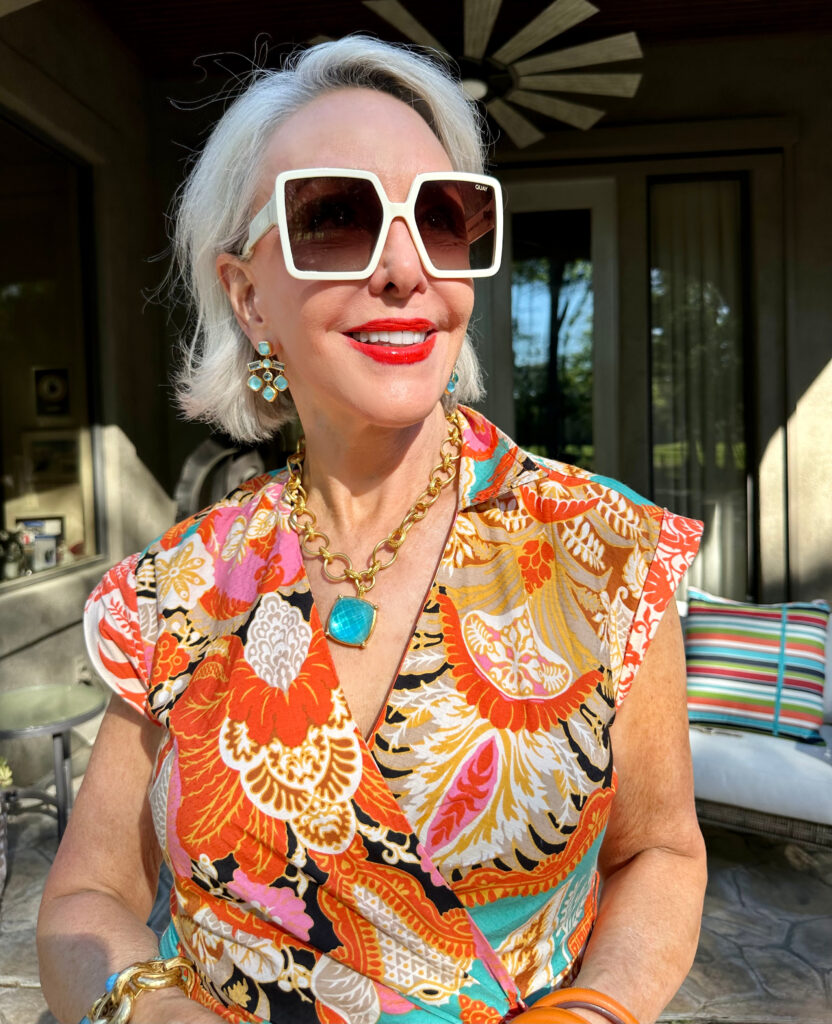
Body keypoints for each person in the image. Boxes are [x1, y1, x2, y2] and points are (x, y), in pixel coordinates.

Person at [37, 35, 706, 1024]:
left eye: (443, 216)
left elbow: (661, 849)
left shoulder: (599, 549)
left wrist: (594, 1010)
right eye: (337, 216)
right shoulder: (172, 593)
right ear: (246, 292)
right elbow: (85, 897)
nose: (404, 265)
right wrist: (148, 1004)